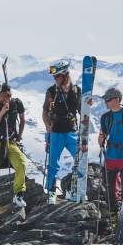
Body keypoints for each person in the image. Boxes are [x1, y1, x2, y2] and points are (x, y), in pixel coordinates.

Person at [0, 82, 29, 212]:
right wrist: (2, 112)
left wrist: (19, 136)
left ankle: (19, 195)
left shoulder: (17, 103)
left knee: (22, 164)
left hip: (11, 142)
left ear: (5, 94)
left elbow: (22, 119)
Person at [96, 87, 123, 212]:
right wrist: (101, 138)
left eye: (108, 99)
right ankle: (114, 213)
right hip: (110, 156)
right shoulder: (105, 117)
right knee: (109, 187)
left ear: (117, 99)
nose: (106, 102)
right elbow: (103, 132)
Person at [42, 62, 82, 197]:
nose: (55, 79)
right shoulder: (51, 91)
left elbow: (83, 111)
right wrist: (48, 127)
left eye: (57, 76)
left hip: (71, 132)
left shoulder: (76, 90)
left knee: (80, 159)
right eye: (54, 77)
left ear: (65, 75)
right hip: (56, 132)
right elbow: (45, 111)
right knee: (53, 164)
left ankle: (79, 188)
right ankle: (51, 192)